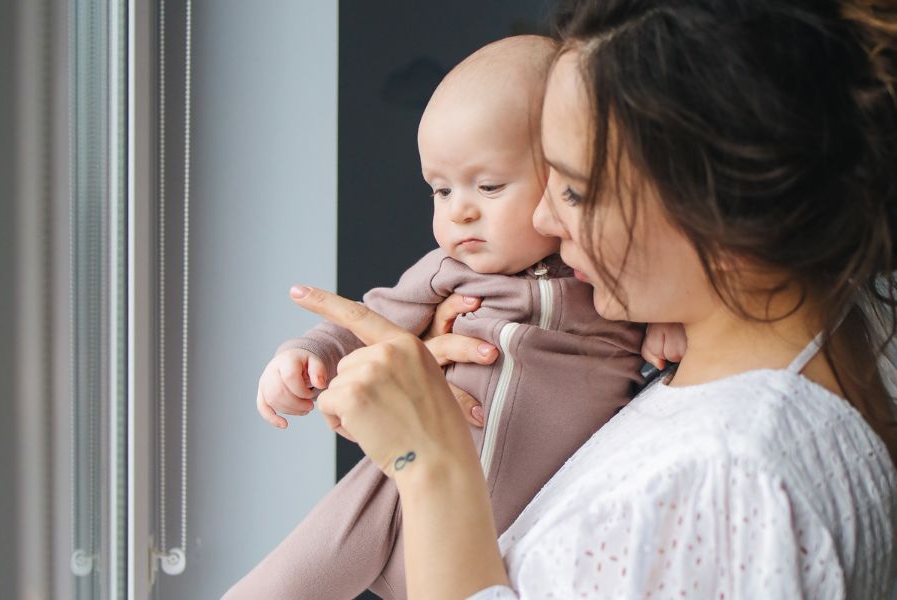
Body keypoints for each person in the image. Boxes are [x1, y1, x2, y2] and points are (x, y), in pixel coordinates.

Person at [275, 0, 897, 597]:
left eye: (573, 191)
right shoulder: (772, 361)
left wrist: (428, 461)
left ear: (722, 211)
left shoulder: (729, 477)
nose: (544, 218)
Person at [224, 36, 648, 600]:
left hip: (503, 539)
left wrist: (669, 328)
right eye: (440, 189)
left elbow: (666, 315)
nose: (459, 210)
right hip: (402, 497)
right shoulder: (446, 272)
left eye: (489, 186)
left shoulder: (609, 274)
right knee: (299, 568)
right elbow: (369, 321)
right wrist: (309, 355)